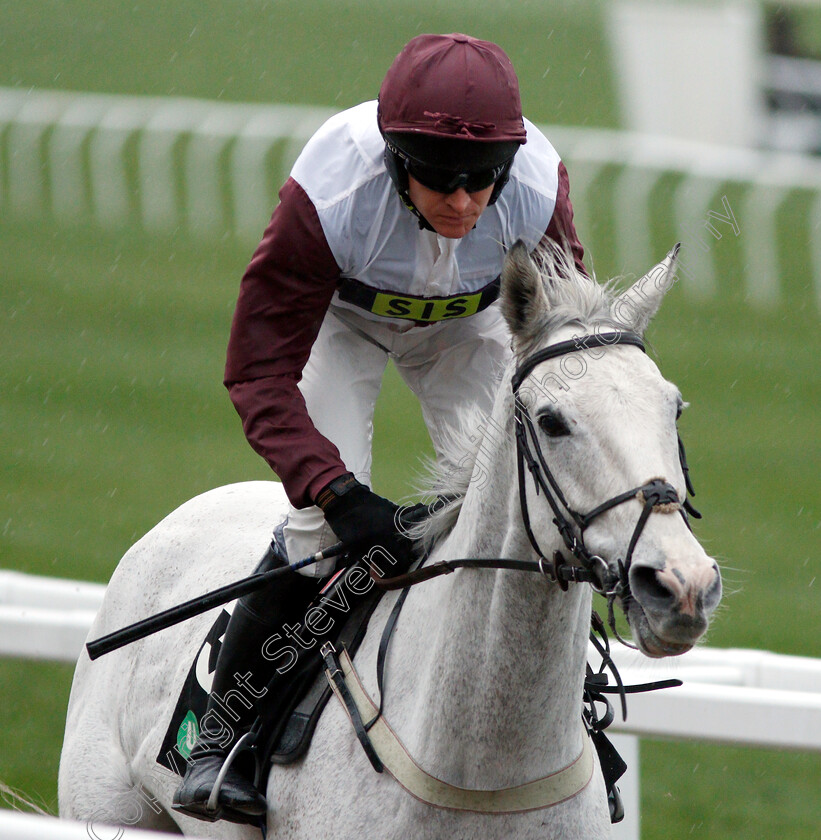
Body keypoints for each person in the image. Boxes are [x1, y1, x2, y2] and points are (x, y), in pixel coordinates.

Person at [173, 32, 586, 823]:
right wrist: (337, 495)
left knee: (529, 510)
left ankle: (571, 722)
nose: (463, 204)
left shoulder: (536, 182)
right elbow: (258, 371)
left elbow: (562, 342)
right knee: (314, 537)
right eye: (440, 181)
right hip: (342, 325)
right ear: (395, 161)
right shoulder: (330, 192)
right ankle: (223, 735)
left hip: (469, 329)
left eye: (481, 183)